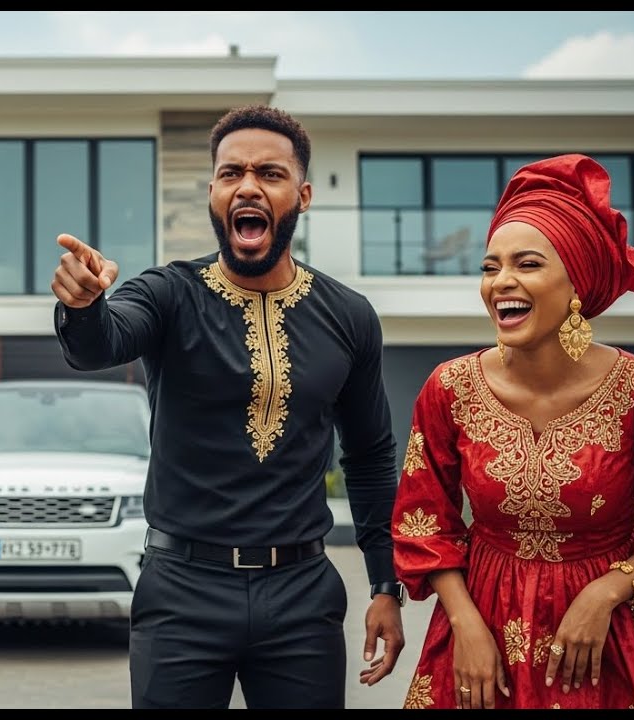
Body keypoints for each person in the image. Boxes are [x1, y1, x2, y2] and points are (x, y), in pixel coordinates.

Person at [50, 104, 406, 709]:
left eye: (270, 173)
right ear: (213, 193)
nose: (248, 185)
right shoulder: (168, 293)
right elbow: (102, 343)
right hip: (182, 593)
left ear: (303, 194)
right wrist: (83, 307)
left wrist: (385, 583)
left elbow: (370, 455)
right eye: (231, 173)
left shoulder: (349, 316)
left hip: (303, 595)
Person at [391, 154, 634, 710]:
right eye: (489, 266)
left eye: (526, 264)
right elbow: (423, 523)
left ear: (576, 282)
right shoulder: (447, 389)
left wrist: (608, 592)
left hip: (617, 640)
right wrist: (465, 625)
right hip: (484, 630)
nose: (502, 282)